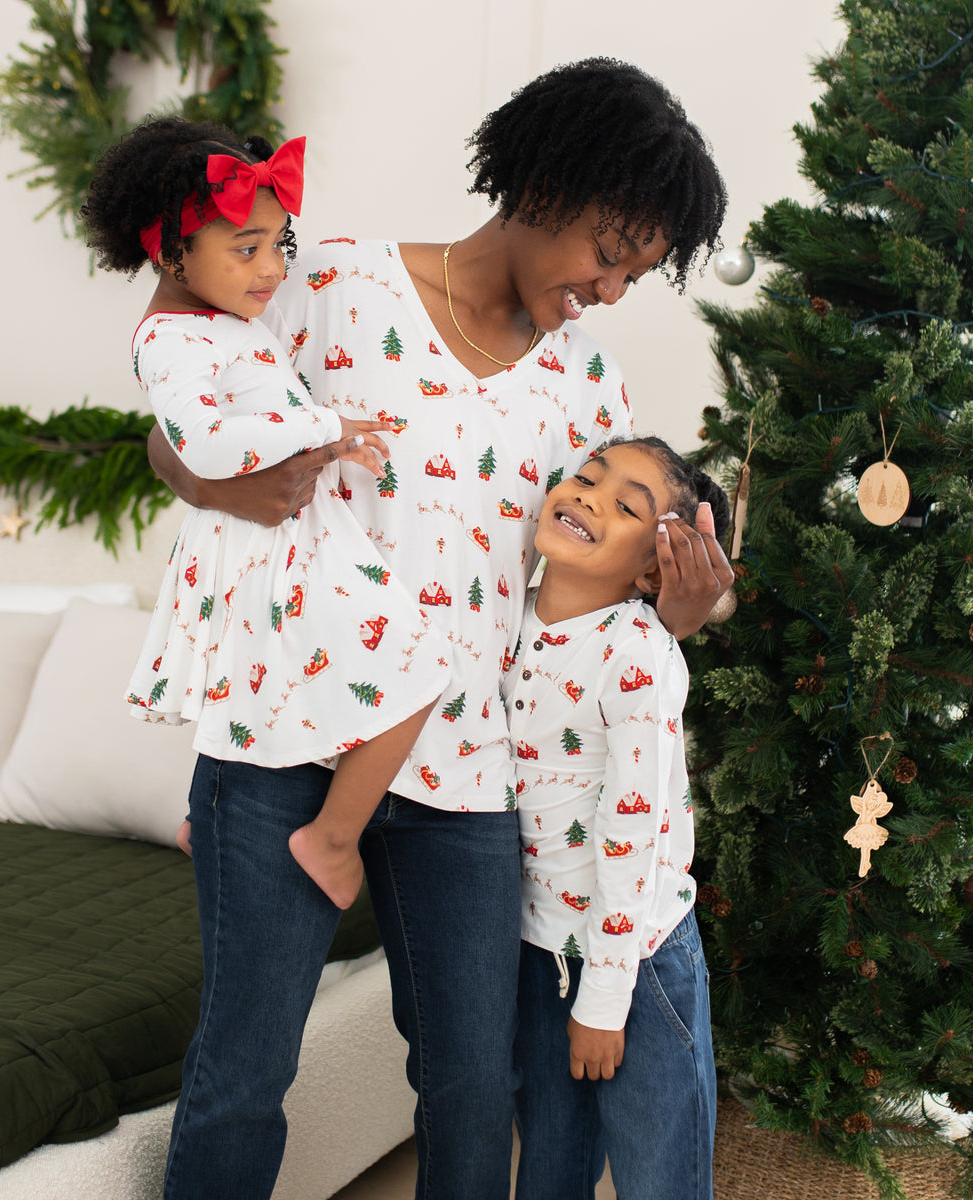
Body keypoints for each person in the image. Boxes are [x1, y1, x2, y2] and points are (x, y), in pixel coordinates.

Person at [145, 58, 732, 1200]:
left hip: (468, 771)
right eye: (608, 255)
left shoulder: (588, 388)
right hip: (284, 742)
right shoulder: (330, 285)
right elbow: (180, 417)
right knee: (243, 1072)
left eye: (636, 274)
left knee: (472, 1084)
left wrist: (684, 610)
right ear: (545, 184)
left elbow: (597, 595)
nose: (610, 290)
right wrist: (216, 486)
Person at [80, 117, 450, 912]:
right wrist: (329, 425)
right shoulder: (171, 341)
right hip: (263, 543)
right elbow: (209, 444)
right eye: (246, 248)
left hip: (285, 536)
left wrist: (328, 443)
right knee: (419, 665)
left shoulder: (220, 323)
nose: (273, 268)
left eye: (280, 245)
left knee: (271, 693)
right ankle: (332, 838)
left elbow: (256, 417)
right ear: (169, 253)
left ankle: (201, 821)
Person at [508, 436, 726, 1200]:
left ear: (650, 568)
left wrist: (605, 999)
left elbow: (636, 836)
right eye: (588, 478)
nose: (591, 497)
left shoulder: (638, 654)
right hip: (542, 948)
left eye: (627, 504)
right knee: (547, 1165)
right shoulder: (507, 610)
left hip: (639, 957)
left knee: (658, 1173)